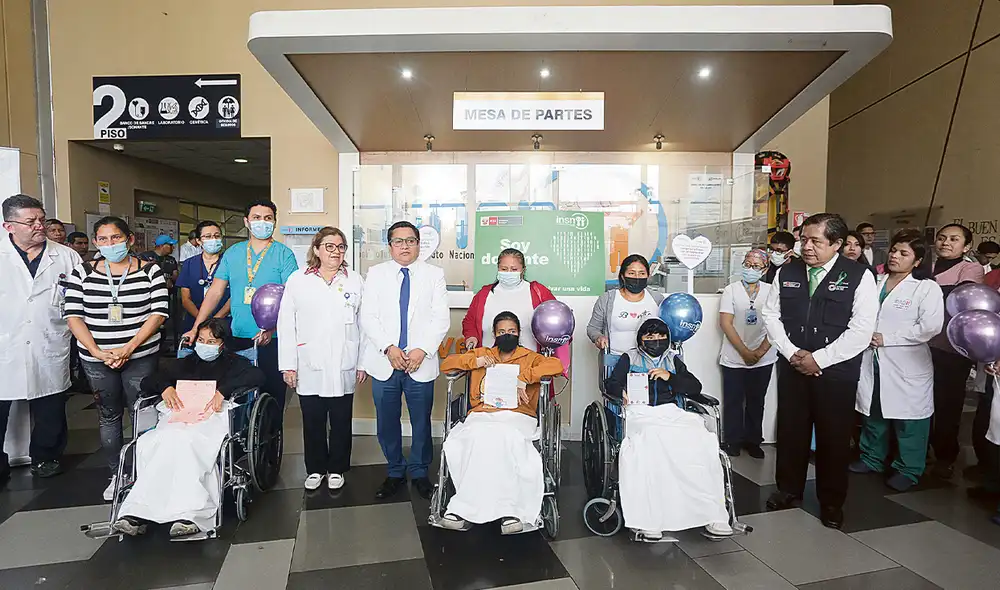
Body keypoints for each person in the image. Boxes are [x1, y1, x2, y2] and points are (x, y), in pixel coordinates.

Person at [760, 213, 878, 529]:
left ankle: (831, 502)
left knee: (833, 438)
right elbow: (771, 315)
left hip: (836, 373)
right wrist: (792, 353)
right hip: (793, 365)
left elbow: (861, 329)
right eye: (804, 239)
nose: (807, 247)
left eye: (816, 241)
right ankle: (788, 489)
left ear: (837, 244)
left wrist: (820, 359)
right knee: (791, 431)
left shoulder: (858, 276)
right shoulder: (788, 271)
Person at [111, 319, 265, 539]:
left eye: (211, 341)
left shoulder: (235, 363)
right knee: (154, 442)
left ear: (222, 344)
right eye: (201, 340)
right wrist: (165, 388)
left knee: (187, 443)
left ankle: (191, 513)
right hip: (179, 417)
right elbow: (149, 380)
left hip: (212, 419)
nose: (205, 345)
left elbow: (258, 377)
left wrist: (224, 390)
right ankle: (137, 512)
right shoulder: (185, 363)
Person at [64, 216, 169, 500]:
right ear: (97, 242)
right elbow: (73, 315)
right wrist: (97, 351)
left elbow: (158, 313)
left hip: (140, 355)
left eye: (116, 238)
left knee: (142, 413)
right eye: (104, 239)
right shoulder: (82, 272)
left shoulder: (150, 271)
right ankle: (117, 474)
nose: (110, 244)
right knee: (108, 416)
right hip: (97, 357)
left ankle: (145, 472)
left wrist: (129, 348)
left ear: (130, 240)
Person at [605, 318, 731, 540]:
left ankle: (712, 514)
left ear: (668, 338)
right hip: (640, 413)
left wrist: (670, 377)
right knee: (650, 439)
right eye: (649, 336)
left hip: (670, 412)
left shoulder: (673, 360)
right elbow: (611, 383)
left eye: (661, 336)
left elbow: (695, 387)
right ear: (640, 339)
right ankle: (649, 519)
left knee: (701, 438)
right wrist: (621, 390)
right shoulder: (630, 357)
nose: (656, 340)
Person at [438, 311, 564, 533]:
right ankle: (463, 508)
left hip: (517, 415)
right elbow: (447, 365)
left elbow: (556, 365)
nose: (507, 335)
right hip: (483, 413)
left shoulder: (529, 357)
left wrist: (524, 378)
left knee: (504, 437)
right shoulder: (483, 354)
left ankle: (509, 509)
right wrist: (474, 361)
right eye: (502, 331)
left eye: (512, 331)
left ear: (519, 333)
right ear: (494, 334)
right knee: (476, 437)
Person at [182, 199, 298, 417]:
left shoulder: (284, 254)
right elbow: (215, 292)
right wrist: (197, 327)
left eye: (267, 218)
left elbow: (291, 299)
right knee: (238, 398)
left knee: (272, 398)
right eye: (256, 218)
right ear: (246, 222)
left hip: (272, 340)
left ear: (274, 222)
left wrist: (272, 330)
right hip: (237, 336)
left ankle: (270, 446)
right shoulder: (233, 253)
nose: (261, 223)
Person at [360, 221, 449, 501]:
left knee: (420, 421)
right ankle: (395, 471)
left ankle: (420, 471)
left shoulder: (434, 275)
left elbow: (440, 318)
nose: (404, 246)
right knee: (387, 421)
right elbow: (369, 317)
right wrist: (389, 348)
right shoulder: (376, 274)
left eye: (410, 241)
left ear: (418, 243)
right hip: (386, 361)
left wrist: (422, 349)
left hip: (419, 362)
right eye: (398, 242)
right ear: (390, 246)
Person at [851, 230, 944, 492]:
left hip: (907, 361)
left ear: (917, 261)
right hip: (872, 358)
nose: (895, 256)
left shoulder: (926, 288)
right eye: (894, 250)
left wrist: (887, 338)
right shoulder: (874, 281)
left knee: (910, 419)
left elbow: (930, 327)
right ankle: (871, 457)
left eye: (904, 253)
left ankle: (909, 468)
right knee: (873, 410)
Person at [277, 227, 367, 491]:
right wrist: (288, 365)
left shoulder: (354, 280)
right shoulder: (298, 280)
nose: (336, 252)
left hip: (344, 360)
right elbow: (285, 324)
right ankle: (315, 468)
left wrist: (362, 363)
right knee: (312, 419)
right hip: (309, 361)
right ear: (316, 249)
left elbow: (364, 325)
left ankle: (337, 467)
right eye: (329, 246)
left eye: (340, 247)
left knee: (341, 419)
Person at [0, 195, 81, 484]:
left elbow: (78, 297)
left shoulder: (65, 255)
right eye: (30, 221)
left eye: (41, 219)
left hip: (50, 340)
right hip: (5, 343)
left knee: (51, 405)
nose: (38, 226)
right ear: (9, 226)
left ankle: (46, 457)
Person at [927, 223, 985, 479]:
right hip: (923, 345)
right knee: (922, 401)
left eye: (953, 239)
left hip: (952, 348)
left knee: (947, 404)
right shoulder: (926, 266)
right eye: (941, 238)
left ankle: (945, 456)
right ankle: (919, 450)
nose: (945, 243)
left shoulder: (969, 268)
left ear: (967, 246)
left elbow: (961, 299)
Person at [462, 248, 569, 369]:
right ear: (498, 268)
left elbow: (558, 321)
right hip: (489, 366)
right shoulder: (484, 294)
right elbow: (469, 321)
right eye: (504, 269)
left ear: (523, 270)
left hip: (530, 367)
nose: (508, 272)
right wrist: (471, 336)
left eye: (514, 269)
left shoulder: (538, 292)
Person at [718, 249, 777, 459]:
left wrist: (760, 352)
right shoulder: (731, 290)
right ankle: (732, 440)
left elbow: (776, 324)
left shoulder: (772, 291)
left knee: (756, 400)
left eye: (756, 266)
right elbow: (725, 322)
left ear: (765, 269)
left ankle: (753, 440)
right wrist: (744, 351)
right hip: (734, 355)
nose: (750, 269)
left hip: (764, 356)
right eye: (747, 264)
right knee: (733, 400)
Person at [586, 254, 664, 356]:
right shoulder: (607, 299)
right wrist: (599, 337)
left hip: (650, 362)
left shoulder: (657, 299)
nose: (637, 277)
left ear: (648, 276)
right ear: (623, 276)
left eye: (641, 273)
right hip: (615, 359)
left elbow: (668, 330)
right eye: (631, 273)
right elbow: (593, 328)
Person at [176, 221, 230, 335]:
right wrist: (202, 320)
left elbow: (236, 295)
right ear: (199, 241)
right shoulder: (189, 264)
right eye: (208, 236)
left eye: (217, 236)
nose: (213, 239)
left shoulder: (230, 262)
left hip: (224, 321)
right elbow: (186, 299)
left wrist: (216, 319)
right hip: (194, 321)